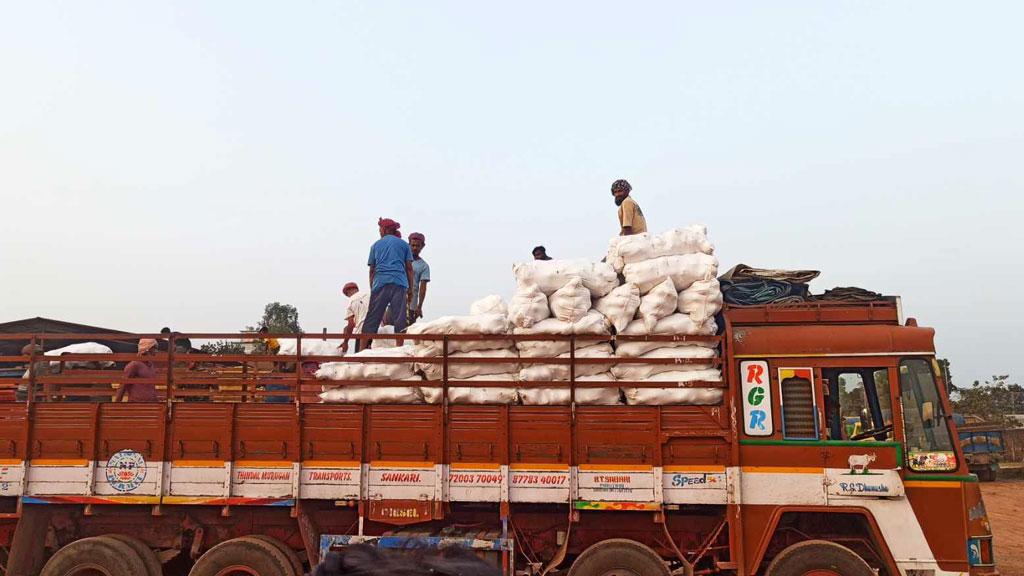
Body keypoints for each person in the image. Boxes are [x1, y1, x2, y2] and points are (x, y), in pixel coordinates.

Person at [363, 218, 414, 347]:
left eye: (380, 228)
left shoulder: (375, 245)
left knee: (372, 317)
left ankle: (362, 349)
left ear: (385, 229)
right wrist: (410, 289)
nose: (379, 231)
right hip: (399, 283)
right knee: (400, 317)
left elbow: (372, 270)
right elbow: (409, 268)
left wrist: (372, 287)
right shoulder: (404, 245)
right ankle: (399, 348)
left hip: (380, 282)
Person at [340, 282, 369, 354]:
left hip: (362, 332)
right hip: (377, 331)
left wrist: (346, 342)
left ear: (348, 292)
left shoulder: (351, 301)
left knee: (360, 358)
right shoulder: (369, 295)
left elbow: (351, 324)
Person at [408, 232, 431, 323]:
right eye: (412, 245)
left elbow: (422, 288)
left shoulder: (424, 266)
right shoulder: (401, 260)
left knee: (407, 333)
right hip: (394, 304)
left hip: (411, 306)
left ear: (422, 246)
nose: (415, 248)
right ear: (408, 244)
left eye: (417, 246)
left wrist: (419, 306)